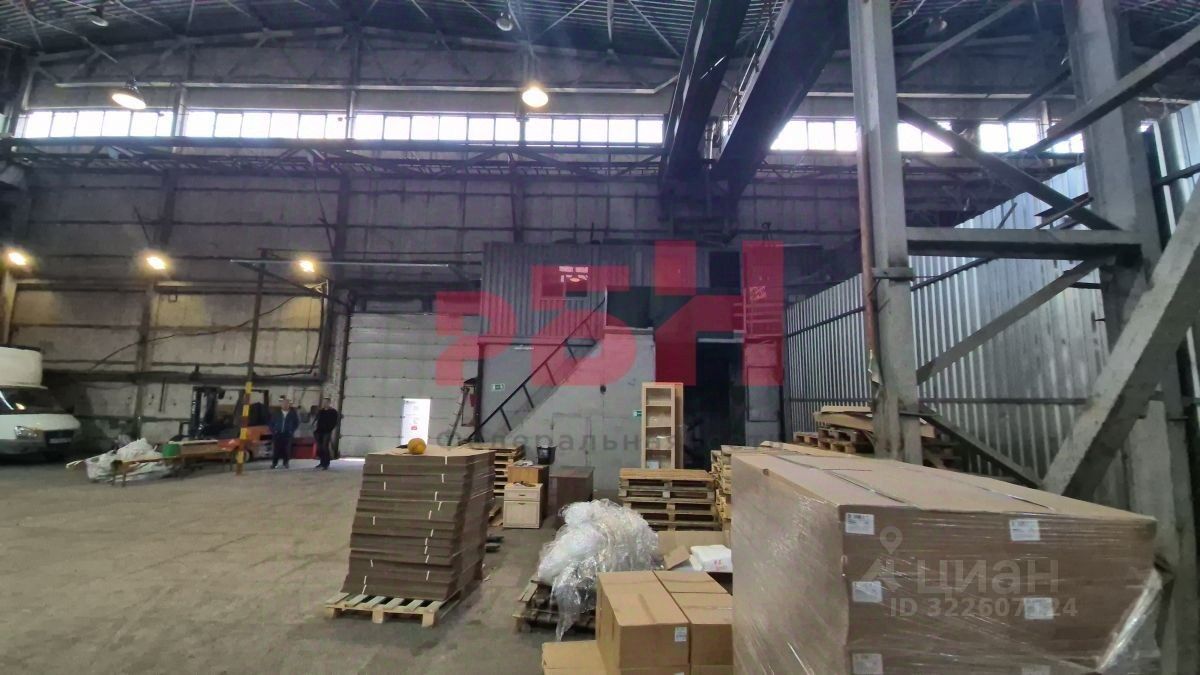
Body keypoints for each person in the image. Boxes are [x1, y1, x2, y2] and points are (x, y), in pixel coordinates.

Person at [269, 397, 300, 469]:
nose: (285, 405)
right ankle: (274, 463)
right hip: (277, 433)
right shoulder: (276, 413)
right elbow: (271, 423)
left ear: (289, 405)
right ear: (281, 404)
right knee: (276, 449)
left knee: (287, 449)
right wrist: (273, 430)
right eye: (283, 403)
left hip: (287, 434)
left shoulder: (292, 413)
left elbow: (296, 423)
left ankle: (286, 463)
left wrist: (291, 430)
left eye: (286, 403)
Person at [314, 397, 341, 470]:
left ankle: (326, 463)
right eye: (324, 402)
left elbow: (334, 422)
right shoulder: (321, 411)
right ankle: (321, 462)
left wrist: (329, 429)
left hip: (327, 432)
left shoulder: (333, 412)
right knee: (320, 448)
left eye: (326, 402)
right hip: (319, 432)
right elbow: (317, 420)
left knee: (324, 447)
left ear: (329, 403)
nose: (324, 404)